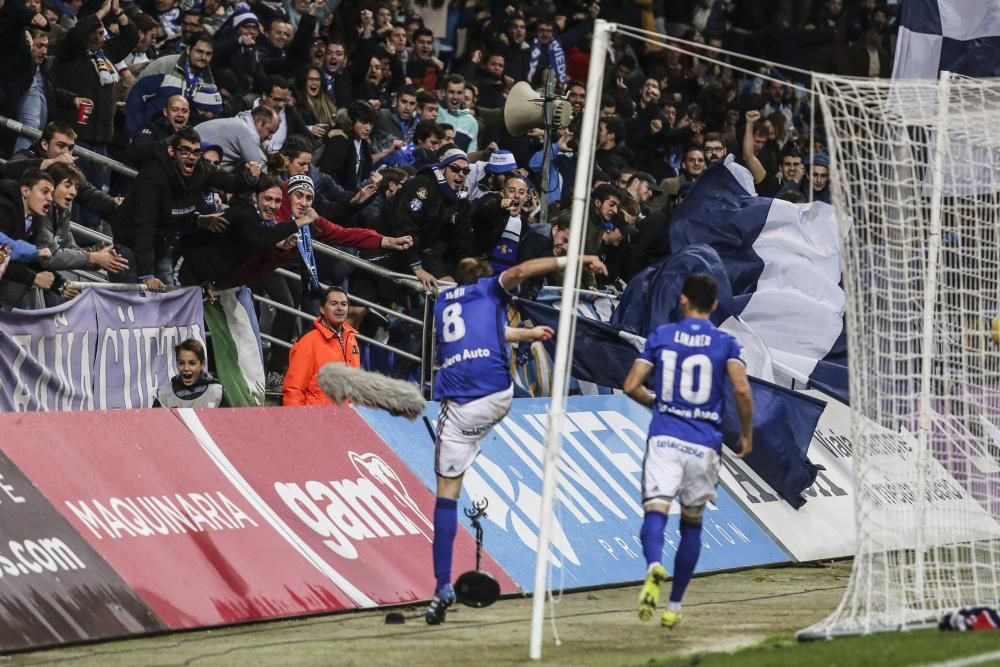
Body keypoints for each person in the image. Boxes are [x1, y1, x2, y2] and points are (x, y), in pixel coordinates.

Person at [424, 253, 608, 625]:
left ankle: (442, 585)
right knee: (459, 456)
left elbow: (479, 327)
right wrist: (576, 260)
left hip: (461, 405)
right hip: (498, 395)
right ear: (485, 278)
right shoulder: (489, 291)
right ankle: (444, 583)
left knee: (446, 493)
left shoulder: (443, 300)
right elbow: (519, 277)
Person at [621, 273, 753, 630]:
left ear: (682, 300)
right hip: (703, 444)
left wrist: (656, 403)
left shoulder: (661, 336)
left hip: (665, 437)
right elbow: (741, 390)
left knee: (655, 510)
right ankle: (674, 607)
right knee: (692, 525)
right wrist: (745, 434)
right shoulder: (726, 342)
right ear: (713, 305)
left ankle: (652, 567)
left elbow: (631, 384)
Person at [282, 286, 360, 406]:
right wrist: (297, 422)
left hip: (345, 418)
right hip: (317, 419)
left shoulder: (351, 338)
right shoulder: (308, 341)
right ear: (323, 309)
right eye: (334, 304)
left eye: (343, 304)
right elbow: (294, 389)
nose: (339, 308)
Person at [152, 338, 230, 407]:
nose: (186, 368)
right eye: (181, 363)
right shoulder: (163, 396)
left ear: (202, 364)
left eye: (192, 363)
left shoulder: (217, 393)